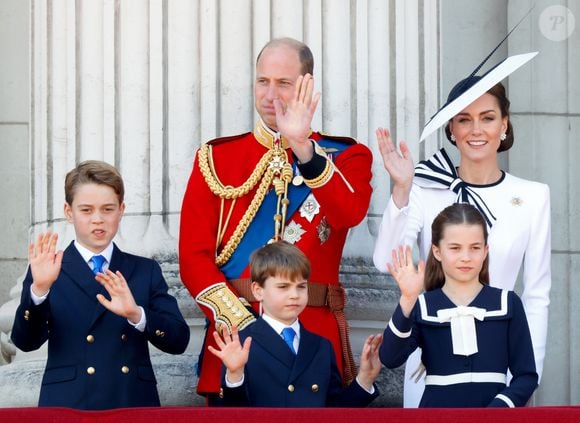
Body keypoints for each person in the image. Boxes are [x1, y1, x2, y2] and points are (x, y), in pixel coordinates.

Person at [179, 37, 373, 401]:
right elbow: (193, 258)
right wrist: (245, 325)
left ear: (306, 85)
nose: (270, 94)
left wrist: (303, 148)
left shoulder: (346, 156)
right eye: (262, 81)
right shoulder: (216, 158)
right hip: (235, 338)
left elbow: (349, 213)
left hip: (313, 341)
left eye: (283, 83)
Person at [373, 55, 550, 406]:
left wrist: (525, 379)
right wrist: (402, 190)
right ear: (451, 129)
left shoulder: (533, 196)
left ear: (504, 125)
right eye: (463, 120)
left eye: (487, 118)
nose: (476, 130)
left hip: (500, 370)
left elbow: (536, 296)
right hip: (430, 363)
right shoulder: (425, 186)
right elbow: (384, 262)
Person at [11, 161, 190, 410]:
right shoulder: (48, 269)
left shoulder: (144, 270)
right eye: (86, 210)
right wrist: (39, 291)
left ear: (121, 210)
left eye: (108, 209)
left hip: (130, 401)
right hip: (69, 404)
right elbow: (25, 342)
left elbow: (179, 340)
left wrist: (136, 314)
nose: (98, 219)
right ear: (68, 211)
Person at [380, 203, 538, 407]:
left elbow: (526, 376)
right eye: (455, 248)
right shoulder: (423, 306)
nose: (466, 257)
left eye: (475, 248)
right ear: (437, 251)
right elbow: (390, 358)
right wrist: (408, 300)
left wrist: (497, 411)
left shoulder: (508, 303)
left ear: (485, 251)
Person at [208, 241, 381, 407]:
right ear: (258, 291)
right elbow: (231, 415)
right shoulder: (242, 344)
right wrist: (235, 375)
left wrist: (365, 379)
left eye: (301, 286)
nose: (294, 295)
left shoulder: (321, 346)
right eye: (283, 287)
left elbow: (334, 412)